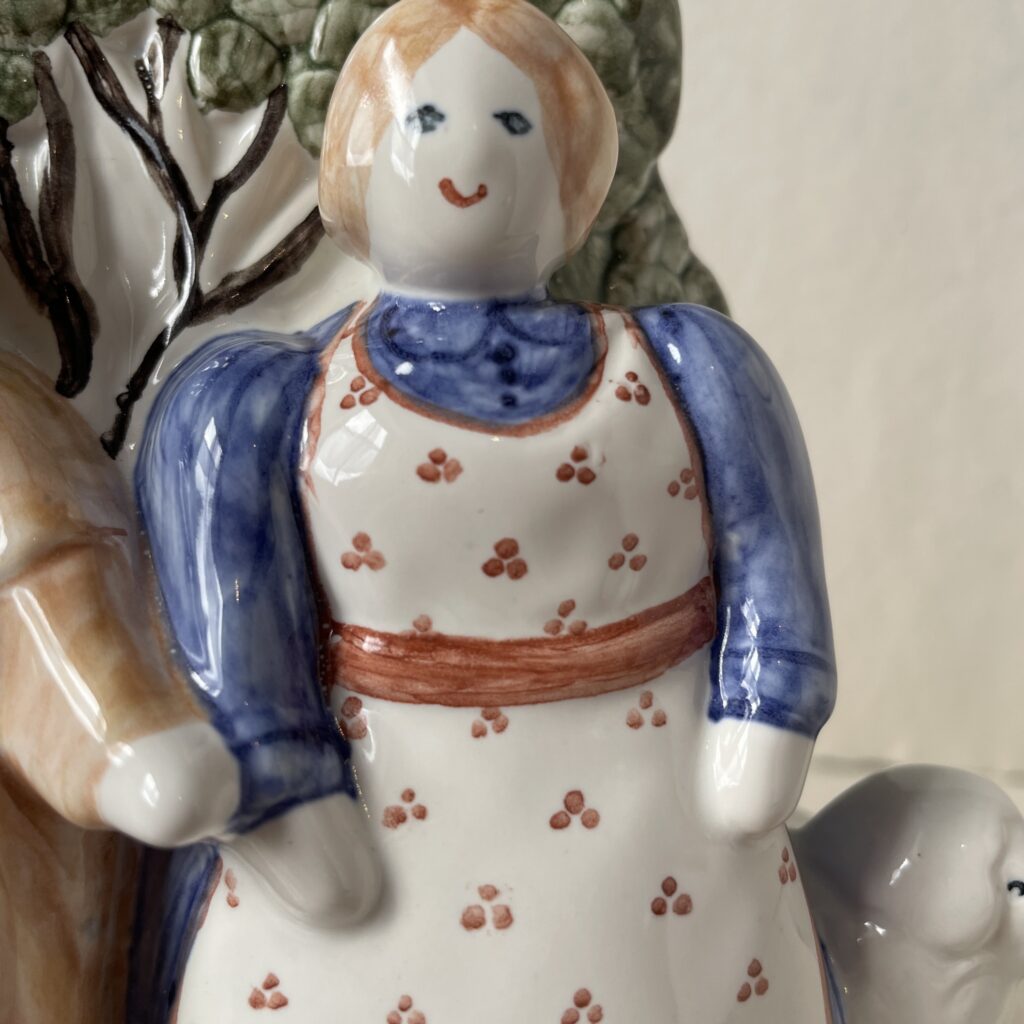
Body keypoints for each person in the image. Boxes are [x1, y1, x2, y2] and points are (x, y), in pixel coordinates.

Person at [132, 0, 837, 1019]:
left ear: (573, 166)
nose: (468, 155)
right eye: (423, 122)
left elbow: (771, 557)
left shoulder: (687, 365)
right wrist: (284, 797)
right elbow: (234, 628)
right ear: (360, 157)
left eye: (513, 124)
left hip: (657, 817)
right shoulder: (269, 397)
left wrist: (768, 714)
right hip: (391, 818)